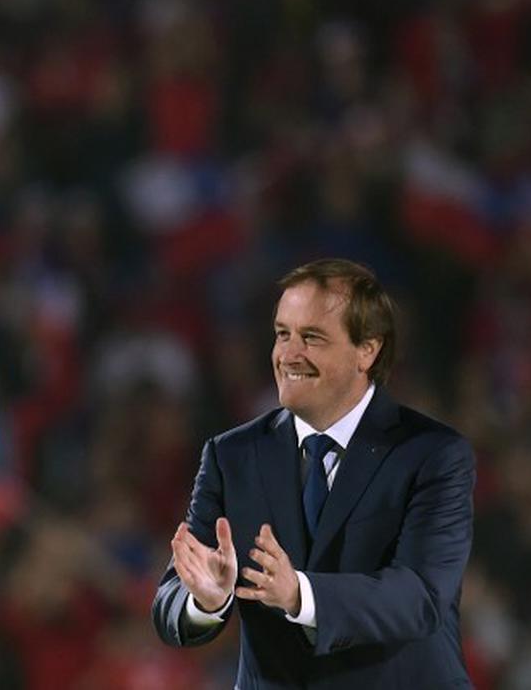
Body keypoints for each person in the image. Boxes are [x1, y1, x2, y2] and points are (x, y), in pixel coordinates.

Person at [152, 258, 475, 689]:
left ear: (368, 349)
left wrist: (300, 595)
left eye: (312, 338)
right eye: (282, 333)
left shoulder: (432, 454)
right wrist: (204, 601)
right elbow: (171, 600)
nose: (288, 354)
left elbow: (421, 596)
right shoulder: (232, 455)